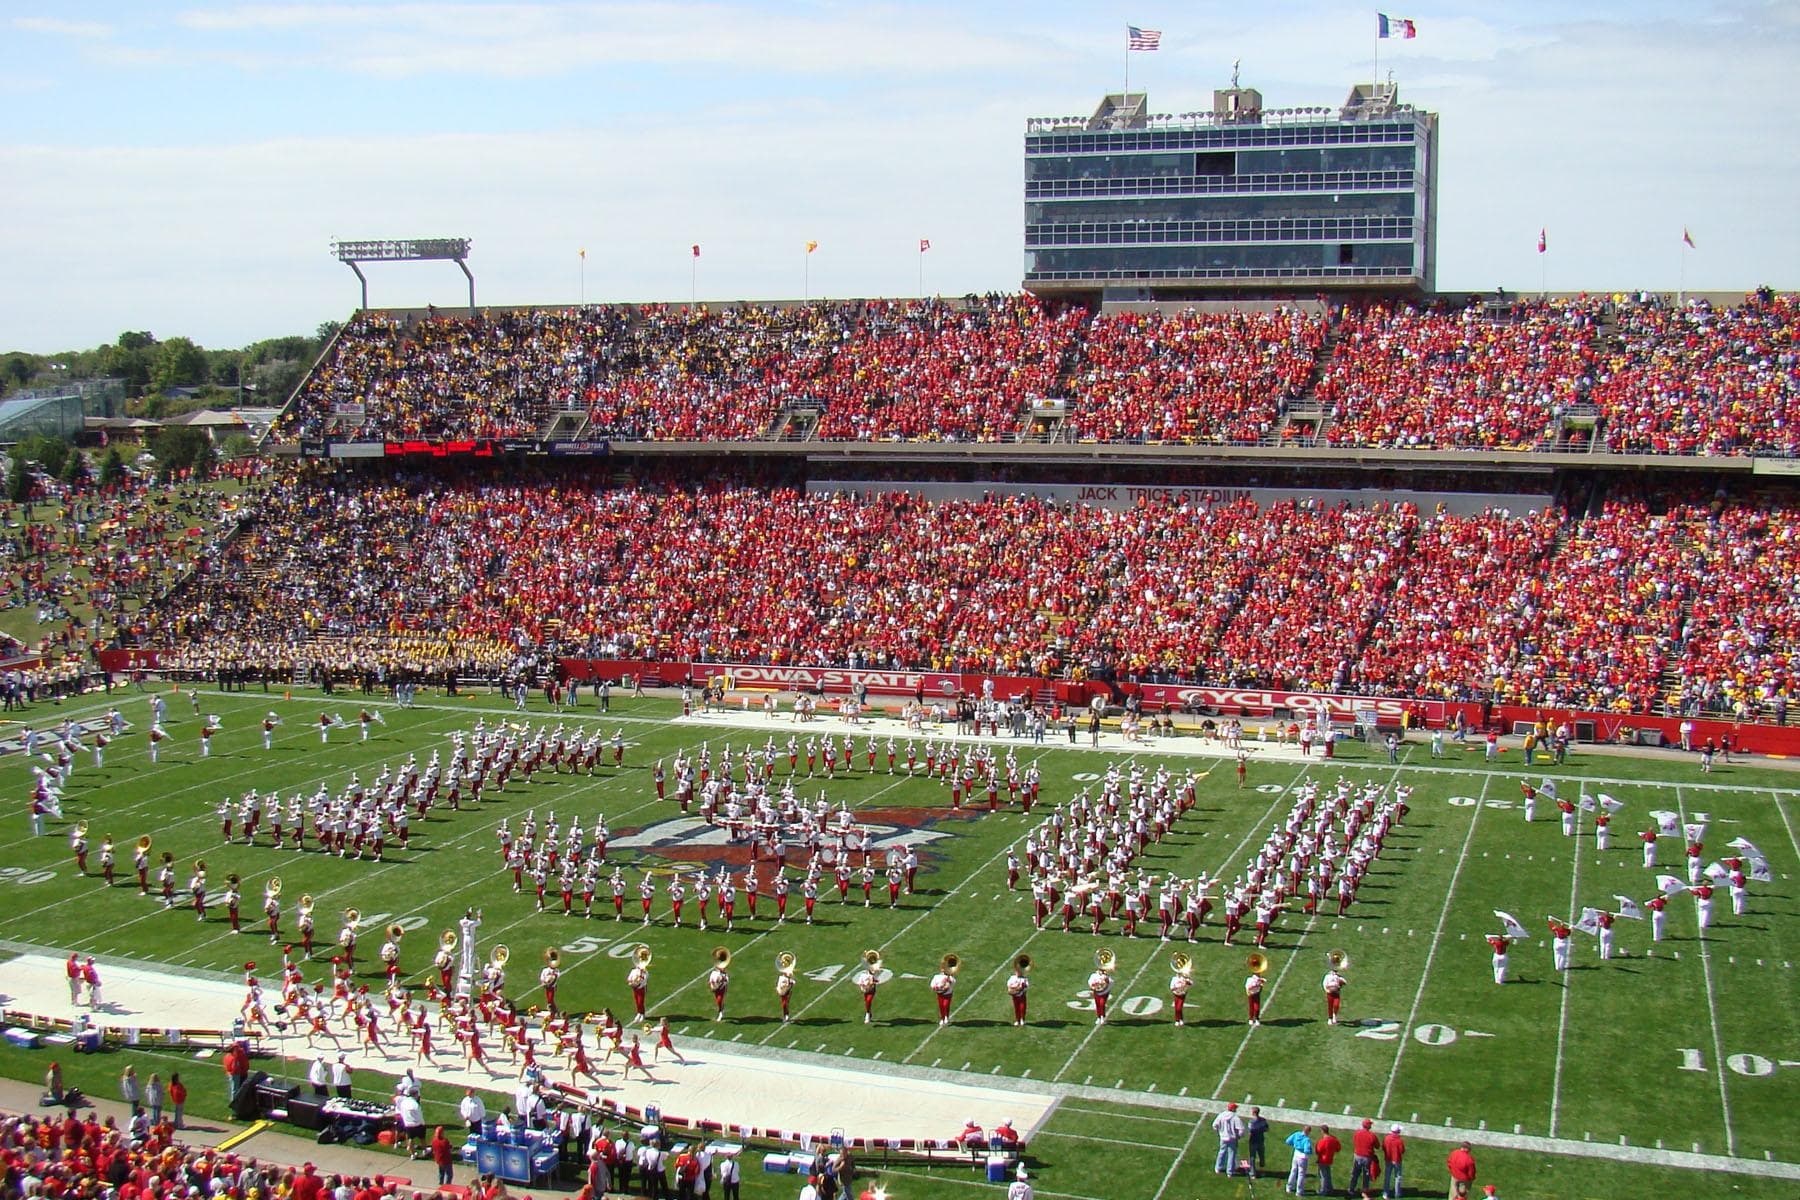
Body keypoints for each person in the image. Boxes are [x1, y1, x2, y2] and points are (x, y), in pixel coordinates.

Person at [1212, 1103, 1245, 1174]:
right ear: (1233, 1109)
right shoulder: (1235, 1117)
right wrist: (1239, 1136)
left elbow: (1214, 1125)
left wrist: (1220, 1132)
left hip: (1223, 1138)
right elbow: (1241, 1129)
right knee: (1232, 1154)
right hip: (1232, 1139)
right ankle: (1230, 1171)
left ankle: (1218, 1168)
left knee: (1222, 1152)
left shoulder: (1221, 1115)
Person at [1349, 1118, 1379, 1194]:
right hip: (1367, 1157)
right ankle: (1365, 1191)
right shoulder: (1372, 1135)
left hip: (1357, 1155)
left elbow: (1354, 1141)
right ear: (1368, 1126)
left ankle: (1351, 1189)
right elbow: (1377, 1146)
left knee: (1355, 1173)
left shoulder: (1357, 1133)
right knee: (1366, 1175)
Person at [1283, 1125, 1314, 1195]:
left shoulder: (1296, 1134)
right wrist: (1311, 1152)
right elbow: (1307, 1150)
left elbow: (1288, 1141)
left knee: (1293, 1171)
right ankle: (1299, 1191)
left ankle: (1289, 1187)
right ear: (1308, 1132)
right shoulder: (1306, 1139)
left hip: (1296, 1154)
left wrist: (1295, 1145)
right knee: (1301, 1174)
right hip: (1303, 1157)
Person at [1314, 1125, 1340, 1195]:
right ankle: (1329, 1188)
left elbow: (1318, 1150)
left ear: (1322, 1131)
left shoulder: (1323, 1141)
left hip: (1322, 1160)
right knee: (1328, 1174)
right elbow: (1338, 1148)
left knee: (1323, 1176)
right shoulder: (1333, 1139)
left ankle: (1323, 1191)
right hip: (1330, 1159)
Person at [1382, 1124, 1406, 1198]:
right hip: (1397, 1160)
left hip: (1388, 1159)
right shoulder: (1399, 1140)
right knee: (1398, 1177)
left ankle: (1385, 1193)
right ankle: (1397, 1193)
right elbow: (1402, 1150)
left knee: (1387, 1177)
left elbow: (1383, 1147)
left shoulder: (1386, 1138)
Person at [1247, 1107, 1270, 1175]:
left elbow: (1250, 1130)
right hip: (1261, 1139)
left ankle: (1252, 1172)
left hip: (1253, 1140)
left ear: (1253, 1113)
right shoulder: (1263, 1120)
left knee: (1252, 1157)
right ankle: (1262, 1169)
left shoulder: (1251, 1121)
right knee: (1261, 1155)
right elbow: (1267, 1129)